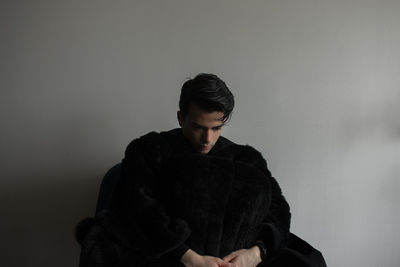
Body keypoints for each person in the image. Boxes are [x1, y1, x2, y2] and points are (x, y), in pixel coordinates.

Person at [76, 73, 327, 267]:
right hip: (167, 254)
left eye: (216, 128)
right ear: (180, 117)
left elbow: (277, 212)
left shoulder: (246, 159)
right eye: (198, 127)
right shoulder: (150, 149)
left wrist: (256, 253)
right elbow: (136, 207)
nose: (207, 138)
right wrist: (189, 258)